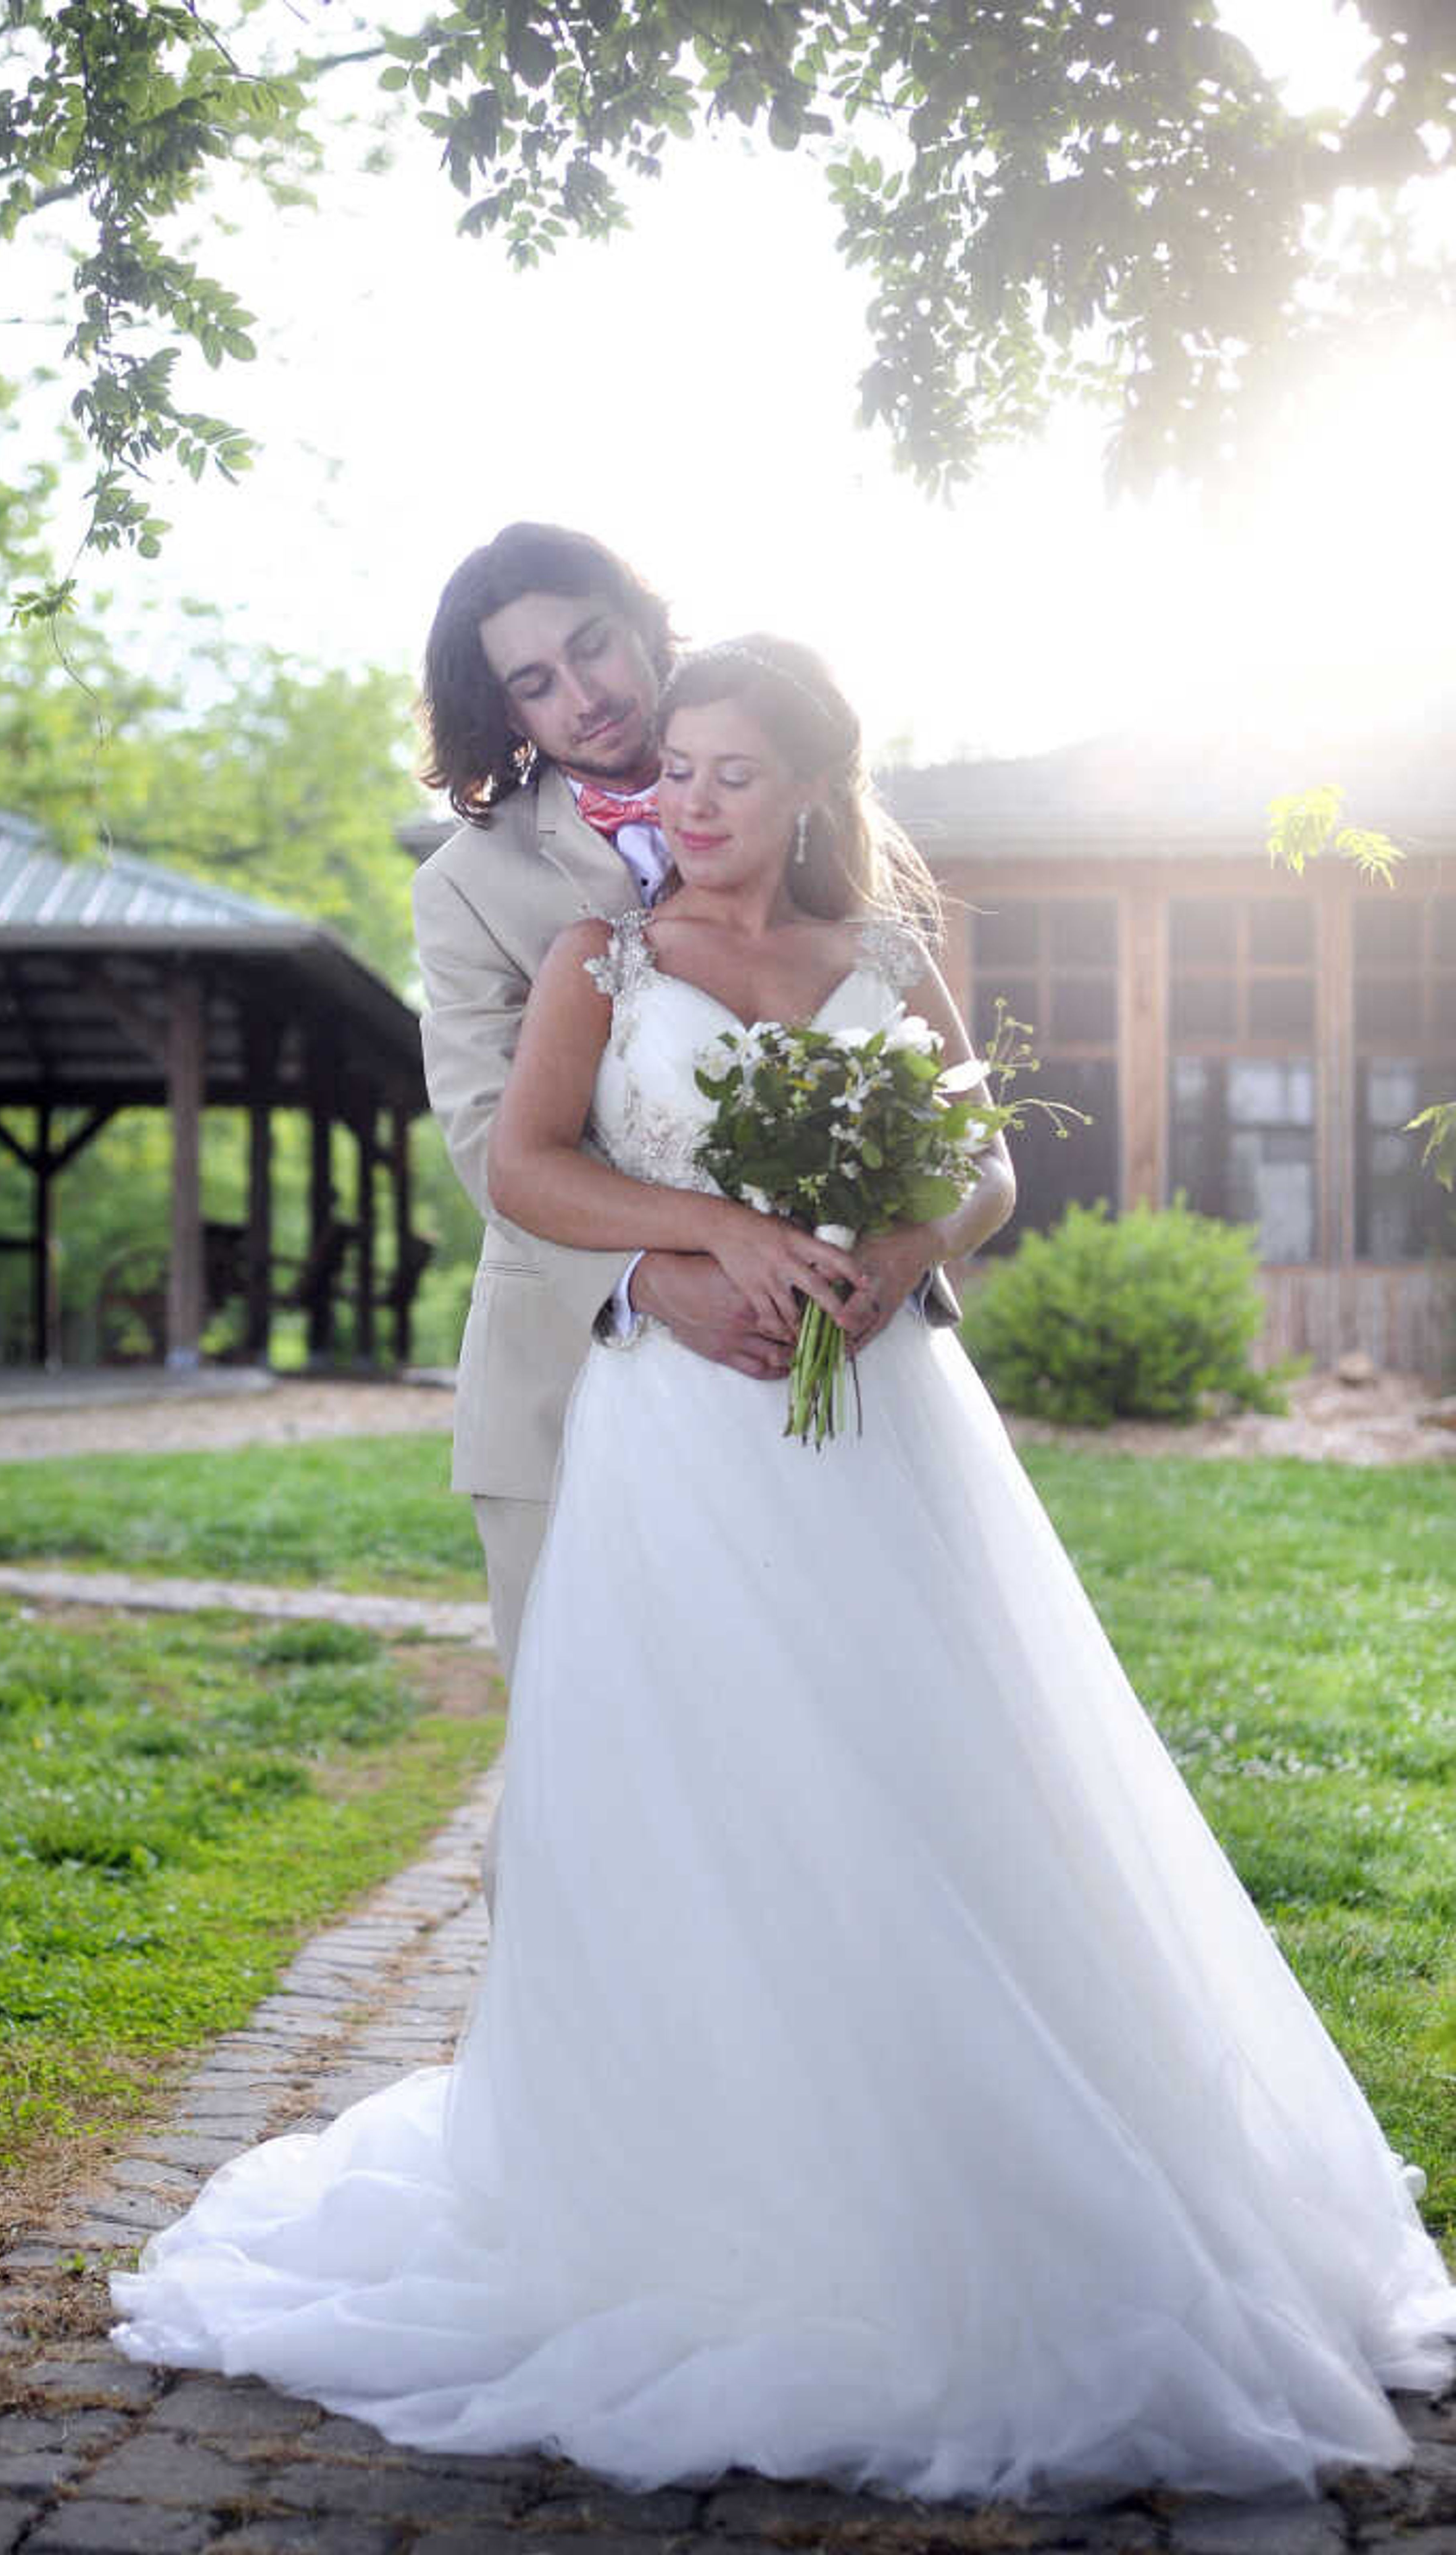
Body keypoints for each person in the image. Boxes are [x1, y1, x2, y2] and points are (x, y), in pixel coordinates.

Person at [110, 638, 1455, 2507]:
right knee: (709, 1793)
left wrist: (903, 1245)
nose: (695, 797)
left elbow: (979, 1157)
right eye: (678, 764)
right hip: (687, 1438)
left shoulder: (890, 963)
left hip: (888, 1422)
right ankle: (713, 2184)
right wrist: (711, 1233)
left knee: (939, 1775)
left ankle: (969, 2156)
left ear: (813, 790)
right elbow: (526, 1164)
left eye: (737, 770)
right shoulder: (608, 961)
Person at [412, 522, 958, 1679]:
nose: (585, 695)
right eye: (535, 683)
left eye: (592, 646)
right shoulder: (470, 888)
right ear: (506, 713)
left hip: (838, 1363)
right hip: (570, 1368)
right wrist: (658, 1282)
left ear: (641, 620)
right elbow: (486, 1147)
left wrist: (897, 1251)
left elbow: (943, 1104)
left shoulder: (796, 795)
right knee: (599, 1758)